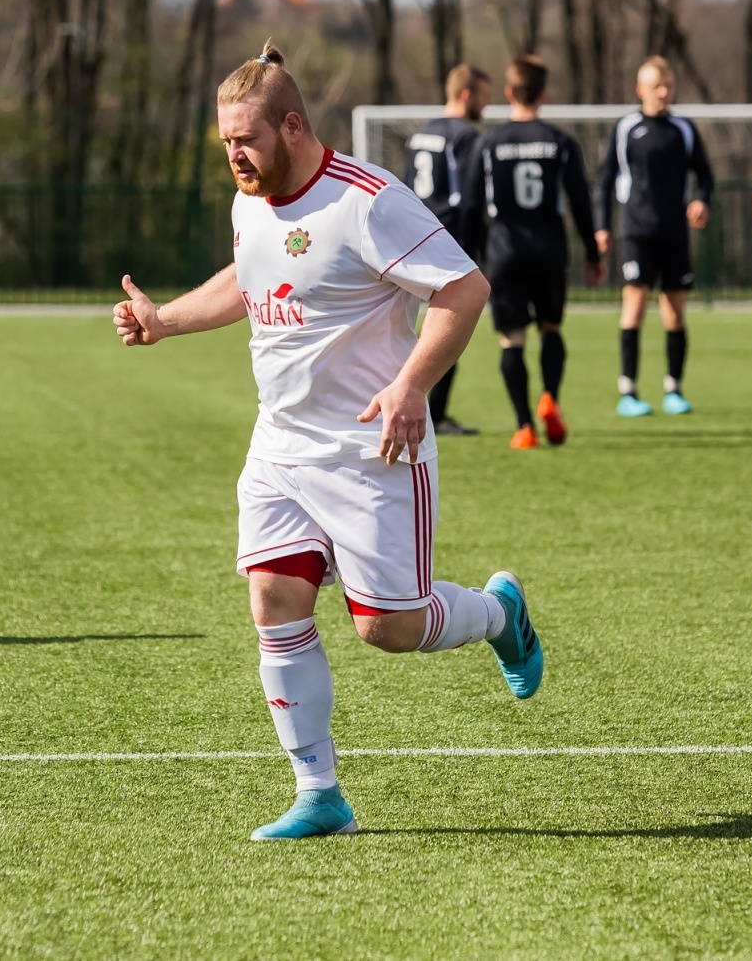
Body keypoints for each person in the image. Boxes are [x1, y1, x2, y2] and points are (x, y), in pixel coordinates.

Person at [114, 43, 543, 840]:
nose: (234, 156)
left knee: (387, 627)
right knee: (274, 601)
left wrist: (412, 384)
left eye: (245, 139)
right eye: (225, 144)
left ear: (293, 124)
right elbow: (251, 277)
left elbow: (465, 287)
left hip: (370, 454)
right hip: (279, 449)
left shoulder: (367, 201)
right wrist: (166, 318)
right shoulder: (251, 201)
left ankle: (497, 613)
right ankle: (320, 792)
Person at [471, 55, 603, 449]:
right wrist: (594, 254)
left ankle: (524, 426)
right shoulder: (560, 141)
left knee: (512, 340)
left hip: (505, 252)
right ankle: (551, 399)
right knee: (551, 328)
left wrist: (474, 253)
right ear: (543, 94)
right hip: (549, 250)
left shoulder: (488, 142)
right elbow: (581, 201)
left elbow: (470, 205)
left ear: (509, 92)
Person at [595, 56, 714, 417]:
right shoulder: (627, 128)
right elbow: (604, 182)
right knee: (633, 307)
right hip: (637, 232)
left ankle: (673, 389)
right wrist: (602, 226)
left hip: (674, 233)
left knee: (675, 313)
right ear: (640, 90)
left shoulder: (684, 129)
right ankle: (628, 390)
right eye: (656, 87)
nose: (663, 93)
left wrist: (701, 201)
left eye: (668, 86)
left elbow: (706, 178)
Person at [403, 64, 490, 437]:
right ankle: (432, 413)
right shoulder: (466, 137)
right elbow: (471, 199)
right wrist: (476, 247)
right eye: (484, 97)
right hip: (448, 238)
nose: (487, 105)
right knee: (448, 325)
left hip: (410, 237)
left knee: (405, 324)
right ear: (467, 95)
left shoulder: (420, 134)